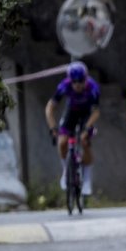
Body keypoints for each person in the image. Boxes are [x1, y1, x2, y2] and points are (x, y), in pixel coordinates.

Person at [45, 61, 101, 197]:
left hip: (87, 115)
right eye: (74, 81)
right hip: (72, 112)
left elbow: (96, 112)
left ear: (85, 78)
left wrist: (86, 129)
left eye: (81, 81)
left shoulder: (93, 88)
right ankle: (66, 170)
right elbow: (50, 108)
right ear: (70, 80)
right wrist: (53, 127)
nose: (78, 85)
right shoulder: (64, 86)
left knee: (84, 141)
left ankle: (86, 179)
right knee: (62, 142)